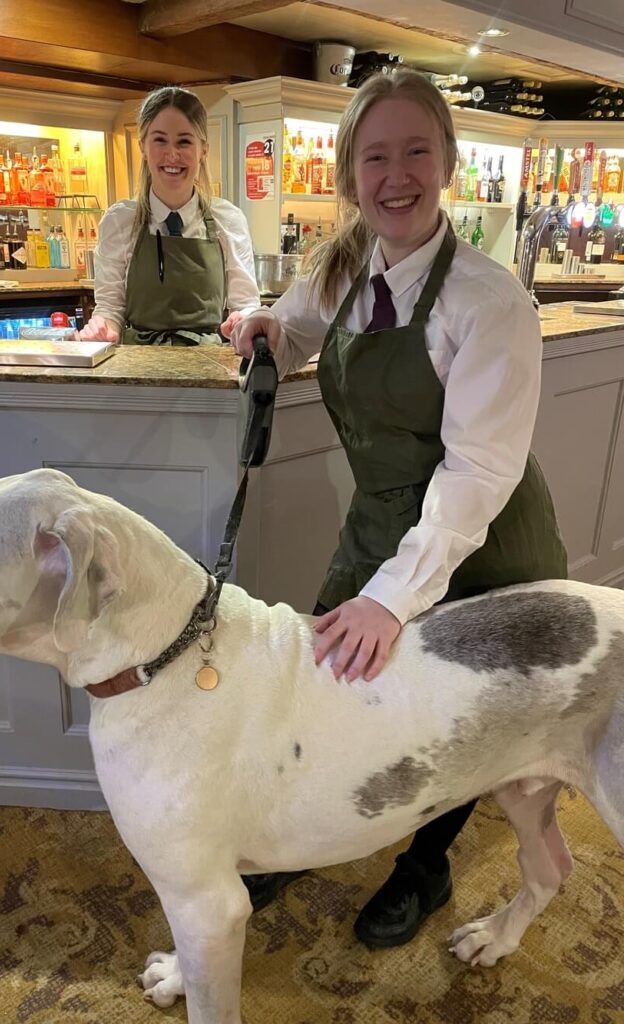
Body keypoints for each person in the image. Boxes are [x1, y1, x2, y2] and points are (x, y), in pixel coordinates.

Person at [231, 70, 567, 948]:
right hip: (383, 521)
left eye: (417, 151)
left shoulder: (490, 301)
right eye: (374, 156)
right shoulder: (344, 266)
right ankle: (308, 834)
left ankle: (425, 863)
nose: (396, 175)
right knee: (328, 683)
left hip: (482, 540)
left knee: (457, 724)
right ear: (349, 173)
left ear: (449, 162)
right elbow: (299, 329)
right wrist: (263, 324)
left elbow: (477, 475)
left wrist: (390, 596)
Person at [77, 86, 259, 346]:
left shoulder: (228, 220)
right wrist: (102, 330)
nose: (172, 154)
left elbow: (246, 303)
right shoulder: (120, 220)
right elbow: (110, 308)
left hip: (210, 369)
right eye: (160, 140)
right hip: (138, 371)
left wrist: (244, 319)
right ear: (143, 145)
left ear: (203, 149)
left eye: (184, 141)